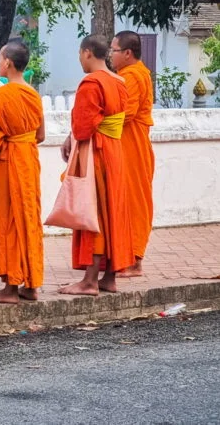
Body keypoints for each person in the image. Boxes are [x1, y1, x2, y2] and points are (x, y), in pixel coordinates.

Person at [58, 35, 136, 296]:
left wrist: (73, 139)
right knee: (113, 211)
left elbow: (83, 127)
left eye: (80, 54)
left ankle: (90, 281)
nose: (80, 60)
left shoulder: (92, 82)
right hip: (114, 150)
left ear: (88, 53)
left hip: (97, 153)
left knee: (94, 211)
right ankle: (109, 277)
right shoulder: (119, 81)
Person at [0, 41, 45, 304]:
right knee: (29, 219)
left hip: (7, 164)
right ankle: (31, 284)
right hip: (28, 160)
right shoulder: (33, 94)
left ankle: (9, 288)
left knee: (8, 221)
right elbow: (41, 135)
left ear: (7, 63)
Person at [111, 31, 155, 278]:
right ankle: (124, 256)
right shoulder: (131, 74)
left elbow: (125, 113)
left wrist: (95, 123)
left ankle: (135, 260)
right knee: (123, 200)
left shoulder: (132, 76)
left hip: (133, 145)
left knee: (135, 201)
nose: (110, 55)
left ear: (127, 53)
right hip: (126, 144)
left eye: (113, 50)